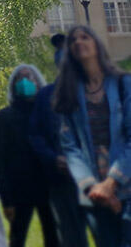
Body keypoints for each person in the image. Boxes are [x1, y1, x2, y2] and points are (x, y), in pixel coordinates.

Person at [53, 24, 131, 247]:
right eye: (73, 40)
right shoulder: (68, 93)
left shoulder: (123, 84)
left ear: (96, 44)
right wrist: (94, 188)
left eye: (84, 37)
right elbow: (71, 148)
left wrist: (112, 183)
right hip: (95, 195)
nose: (78, 42)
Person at [0, 64, 58, 247]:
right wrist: (6, 200)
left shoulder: (48, 114)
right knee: (17, 239)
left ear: (38, 82)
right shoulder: (5, 117)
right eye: (20, 78)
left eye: (29, 77)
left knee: (54, 237)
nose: (25, 81)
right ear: (13, 85)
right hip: (19, 191)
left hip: (48, 188)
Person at [29, 77, 88, 247]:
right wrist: (53, 159)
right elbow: (35, 135)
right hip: (62, 180)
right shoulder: (45, 95)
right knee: (71, 237)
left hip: (99, 180)